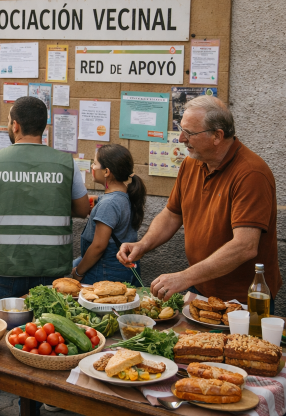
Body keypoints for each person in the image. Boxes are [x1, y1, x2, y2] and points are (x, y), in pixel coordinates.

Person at [0, 96, 90, 416]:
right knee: (46, 335)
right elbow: (82, 209)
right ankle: (40, 400)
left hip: (2, 267)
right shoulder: (65, 163)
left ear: (15, 125)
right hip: (51, 270)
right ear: (43, 127)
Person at [117, 95, 281, 303]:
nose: (181, 139)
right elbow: (172, 214)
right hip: (202, 286)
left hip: (243, 298)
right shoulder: (191, 163)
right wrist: (143, 245)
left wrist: (184, 277)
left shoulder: (251, 173)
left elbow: (245, 246)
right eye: (181, 130)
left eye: (189, 133)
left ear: (217, 136)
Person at [71, 144, 146, 285]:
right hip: (121, 270)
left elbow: (98, 246)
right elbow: (101, 203)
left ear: (106, 172)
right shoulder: (125, 195)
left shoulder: (109, 204)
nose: (92, 167)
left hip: (105, 272)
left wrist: (78, 272)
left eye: (94, 163)